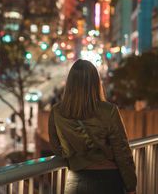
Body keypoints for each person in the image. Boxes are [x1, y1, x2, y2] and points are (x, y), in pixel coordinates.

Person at [48, 59, 137, 194]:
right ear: (96, 83)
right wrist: (131, 186)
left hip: (76, 182)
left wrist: (75, 154)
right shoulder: (109, 110)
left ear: (70, 83)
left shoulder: (57, 112)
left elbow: (56, 148)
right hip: (108, 181)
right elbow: (122, 151)